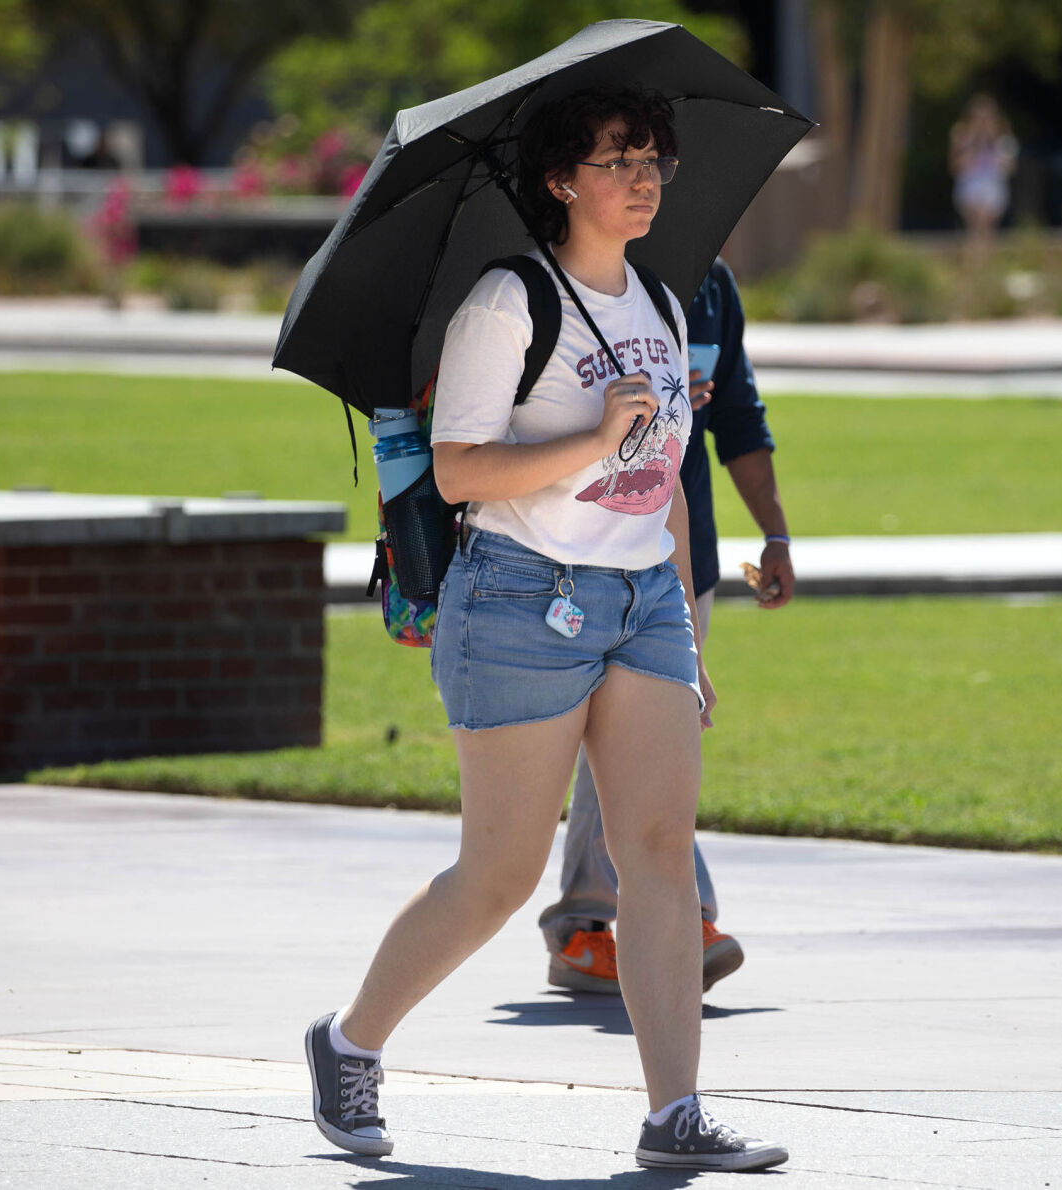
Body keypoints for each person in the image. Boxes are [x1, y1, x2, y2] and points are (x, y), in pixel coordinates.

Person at [302, 85, 787, 1173]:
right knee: (500, 872)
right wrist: (593, 435)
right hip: (521, 596)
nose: (645, 176)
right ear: (562, 178)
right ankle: (348, 1042)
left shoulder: (664, 303)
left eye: (653, 157)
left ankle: (675, 1111)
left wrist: (685, 631)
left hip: (641, 603)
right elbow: (463, 469)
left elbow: (662, 481)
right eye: (618, 159)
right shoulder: (507, 302)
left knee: (656, 852)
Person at [538, 256, 794, 997]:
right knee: (623, 742)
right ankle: (675, 918)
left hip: (684, 556)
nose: (652, 177)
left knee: (644, 741)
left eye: (662, 161)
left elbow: (741, 417)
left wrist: (774, 533)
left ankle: (593, 924)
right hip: (576, 551)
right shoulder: (565, 286)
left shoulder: (708, 286)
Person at [948, 96, 1017, 267]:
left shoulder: (1003, 138)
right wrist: (972, 143)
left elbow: (1009, 168)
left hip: (993, 186)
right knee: (978, 225)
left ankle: (981, 263)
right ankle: (976, 263)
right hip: (971, 186)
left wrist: (995, 145)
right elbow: (955, 167)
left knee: (986, 228)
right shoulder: (962, 135)